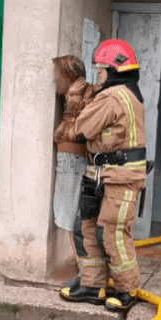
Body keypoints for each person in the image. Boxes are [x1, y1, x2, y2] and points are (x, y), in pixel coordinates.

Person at [59, 39, 147, 312]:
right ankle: (92, 283)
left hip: (119, 177)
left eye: (101, 71)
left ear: (114, 69)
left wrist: (79, 103)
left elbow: (81, 129)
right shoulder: (126, 93)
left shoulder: (113, 96)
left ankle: (127, 289)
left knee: (112, 233)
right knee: (87, 227)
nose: (98, 76)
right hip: (103, 174)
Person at [52, 55, 96, 288]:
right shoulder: (77, 94)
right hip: (73, 160)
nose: (54, 79)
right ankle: (85, 271)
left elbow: (75, 132)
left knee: (72, 219)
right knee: (73, 218)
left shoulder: (79, 96)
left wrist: (73, 102)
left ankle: (84, 274)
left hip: (73, 161)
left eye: (57, 74)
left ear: (68, 75)